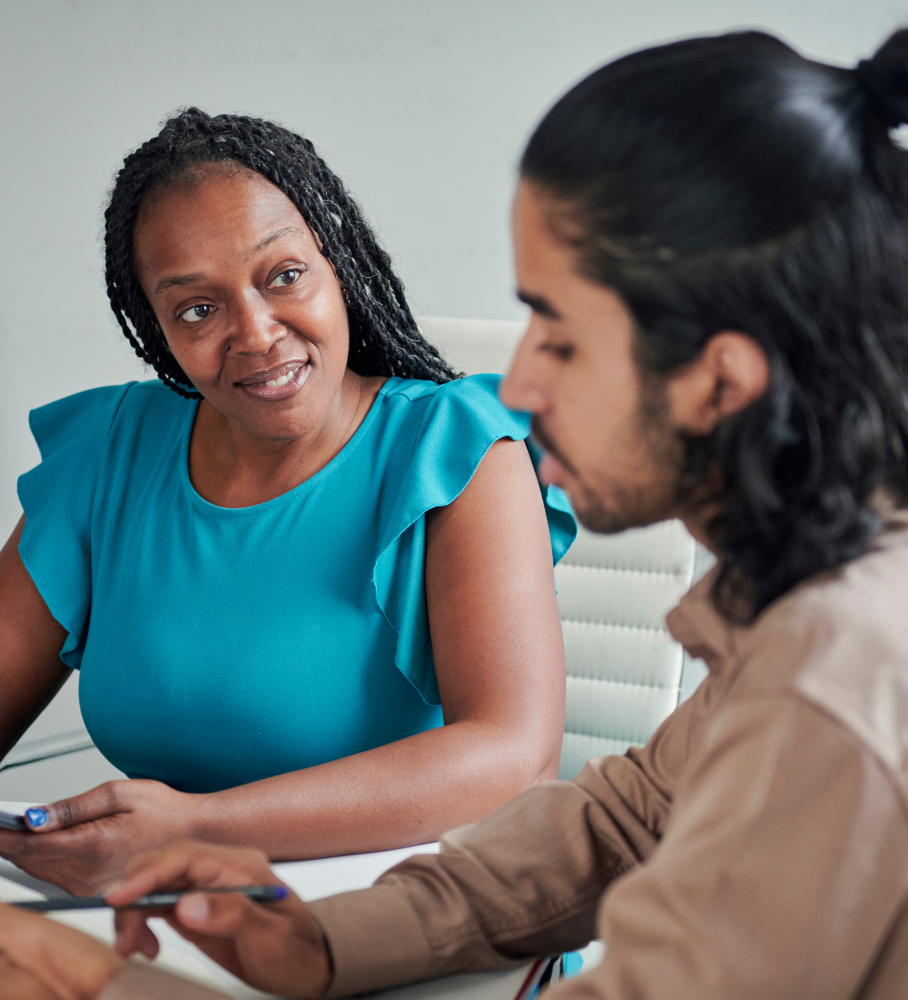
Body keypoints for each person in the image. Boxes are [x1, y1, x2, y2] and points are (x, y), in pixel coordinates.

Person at [5, 21, 908, 1000]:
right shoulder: (826, 601)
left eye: (559, 336)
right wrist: (320, 943)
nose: (515, 384)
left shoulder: (845, 691)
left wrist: (95, 984)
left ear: (718, 378)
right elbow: (624, 821)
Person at [0, 109, 576, 896]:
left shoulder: (454, 453)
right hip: (151, 926)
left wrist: (194, 830)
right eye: (197, 309)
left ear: (338, 265)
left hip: (403, 934)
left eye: (283, 276)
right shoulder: (109, 453)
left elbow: (515, 755)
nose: (256, 333)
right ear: (155, 329)